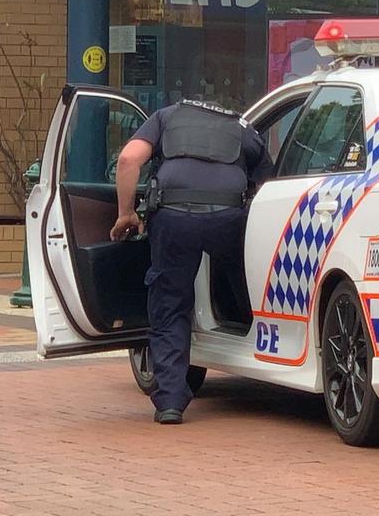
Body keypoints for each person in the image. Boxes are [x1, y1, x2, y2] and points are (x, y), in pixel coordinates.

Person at [110, 99, 272, 425]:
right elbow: (267, 183)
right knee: (243, 275)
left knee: (170, 302)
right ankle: (256, 338)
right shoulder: (239, 126)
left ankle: (170, 402)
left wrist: (126, 213)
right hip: (229, 218)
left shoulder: (165, 117)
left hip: (174, 219)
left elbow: (129, 159)